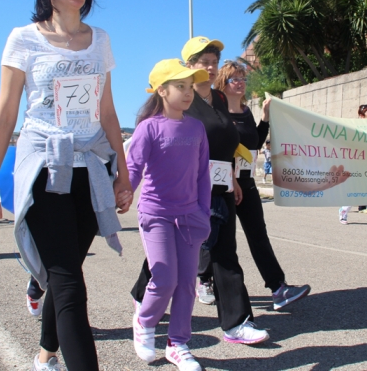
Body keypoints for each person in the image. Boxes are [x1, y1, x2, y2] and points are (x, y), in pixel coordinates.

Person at [0, 0, 133, 371]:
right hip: (45, 165)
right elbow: (7, 113)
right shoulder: (23, 38)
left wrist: (122, 171)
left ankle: (46, 352)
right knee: (67, 282)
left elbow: (109, 113)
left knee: (67, 269)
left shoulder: (100, 39)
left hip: (90, 168)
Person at [131, 36, 269, 345]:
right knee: (175, 255)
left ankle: (235, 322)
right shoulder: (182, 101)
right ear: (188, 67)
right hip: (185, 190)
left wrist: (232, 177)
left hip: (218, 185)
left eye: (213, 62)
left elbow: (225, 142)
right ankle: (144, 296)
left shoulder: (218, 99)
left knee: (223, 253)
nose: (209, 68)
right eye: (202, 62)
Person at [128, 58, 211, 370]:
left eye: (190, 87)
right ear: (161, 90)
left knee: (188, 282)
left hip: (191, 217)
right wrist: (123, 194)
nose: (188, 93)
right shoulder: (148, 128)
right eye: (180, 86)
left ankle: (178, 344)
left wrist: (203, 212)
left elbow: (203, 174)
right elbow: (133, 168)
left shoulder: (197, 128)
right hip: (156, 215)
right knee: (164, 276)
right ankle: (145, 322)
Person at [213, 60, 311, 310]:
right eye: (235, 79)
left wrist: (265, 118)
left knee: (258, 235)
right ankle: (205, 280)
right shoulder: (215, 111)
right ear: (223, 82)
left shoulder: (246, 112)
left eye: (243, 78)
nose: (241, 83)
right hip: (221, 183)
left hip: (246, 182)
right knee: (217, 240)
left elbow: (255, 143)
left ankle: (278, 287)